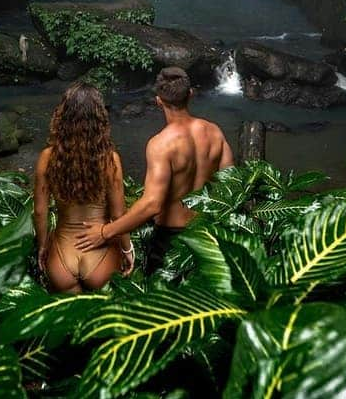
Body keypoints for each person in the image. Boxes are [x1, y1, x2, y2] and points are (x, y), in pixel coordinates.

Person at [75, 66, 235, 273]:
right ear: (191, 94)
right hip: (209, 235)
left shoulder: (161, 145)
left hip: (171, 240)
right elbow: (232, 185)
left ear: (159, 101)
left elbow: (152, 204)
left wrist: (105, 232)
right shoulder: (215, 133)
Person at [33, 82, 135, 292]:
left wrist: (42, 247)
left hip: (62, 257)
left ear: (64, 115)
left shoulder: (47, 158)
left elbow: (40, 211)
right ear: (99, 119)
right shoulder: (109, 160)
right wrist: (127, 249)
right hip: (100, 256)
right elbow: (118, 213)